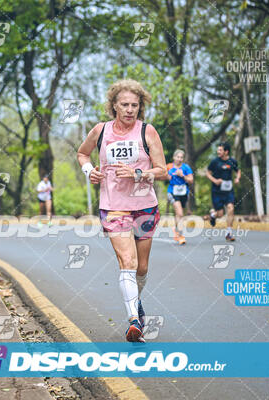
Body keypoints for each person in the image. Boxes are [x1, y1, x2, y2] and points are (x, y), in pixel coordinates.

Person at [77, 79, 168, 342]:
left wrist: (139, 173)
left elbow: (162, 171)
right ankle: (133, 322)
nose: (130, 110)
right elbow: (82, 154)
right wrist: (89, 171)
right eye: (125, 105)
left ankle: (135, 302)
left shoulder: (147, 132)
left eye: (135, 105)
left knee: (141, 268)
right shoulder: (101, 131)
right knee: (127, 263)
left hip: (145, 207)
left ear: (140, 107)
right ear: (114, 106)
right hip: (114, 206)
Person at [205, 142, 240, 241]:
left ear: (226, 151)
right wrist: (215, 181)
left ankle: (228, 233)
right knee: (220, 214)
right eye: (218, 149)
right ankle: (213, 216)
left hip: (228, 190)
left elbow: (238, 171)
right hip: (217, 191)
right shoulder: (215, 162)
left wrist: (237, 178)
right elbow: (208, 173)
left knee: (231, 208)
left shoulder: (232, 161)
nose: (218, 151)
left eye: (220, 150)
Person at [167, 150, 193, 245]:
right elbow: (164, 178)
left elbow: (191, 180)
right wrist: (168, 175)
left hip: (183, 193)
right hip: (172, 192)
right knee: (180, 213)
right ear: (174, 157)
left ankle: (176, 229)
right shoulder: (169, 167)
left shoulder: (186, 167)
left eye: (181, 157)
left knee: (179, 215)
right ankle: (181, 235)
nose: (179, 159)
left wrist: (183, 176)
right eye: (178, 157)